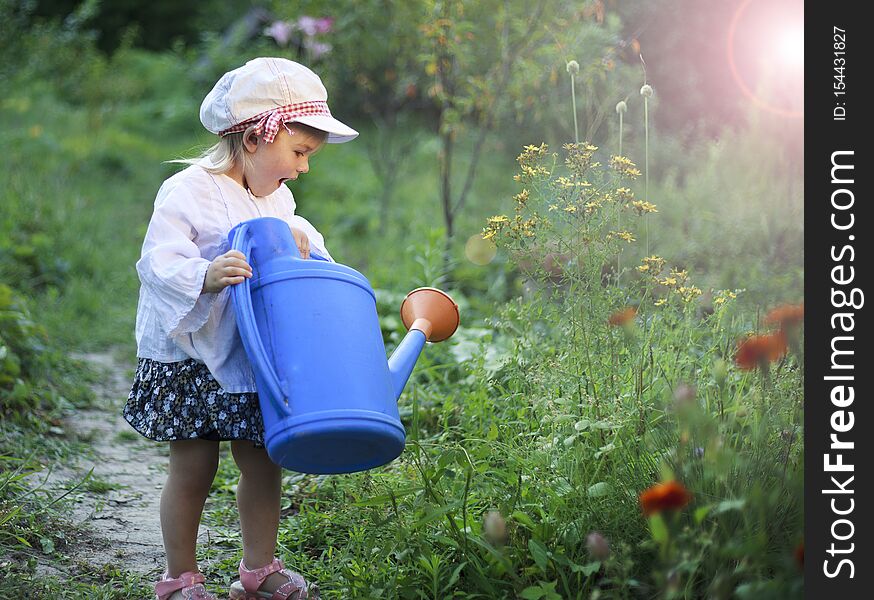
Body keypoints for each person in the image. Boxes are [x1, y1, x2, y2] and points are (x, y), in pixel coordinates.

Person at [123, 57, 357, 600]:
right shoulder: (187, 191)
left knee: (262, 459)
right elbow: (158, 260)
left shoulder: (278, 198)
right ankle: (179, 576)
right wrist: (204, 274)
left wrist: (301, 242)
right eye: (299, 152)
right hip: (189, 354)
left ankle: (258, 569)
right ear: (256, 136)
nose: (303, 168)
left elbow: (294, 252)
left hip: (248, 351)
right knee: (194, 466)